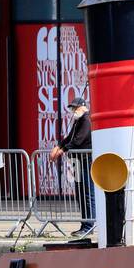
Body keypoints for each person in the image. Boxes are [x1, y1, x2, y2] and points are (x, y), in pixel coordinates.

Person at [49, 97, 93, 238]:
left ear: (82, 107)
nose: (73, 111)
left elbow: (78, 140)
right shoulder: (78, 121)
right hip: (78, 162)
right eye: (72, 108)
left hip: (86, 161)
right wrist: (58, 146)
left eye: (75, 108)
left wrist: (62, 150)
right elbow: (69, 138)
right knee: (80, 193)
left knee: (87, 193)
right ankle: (84, 224)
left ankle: (89, 225)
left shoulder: (86, 119)